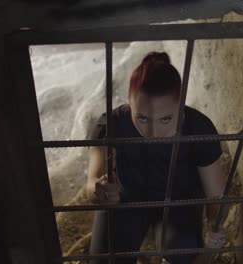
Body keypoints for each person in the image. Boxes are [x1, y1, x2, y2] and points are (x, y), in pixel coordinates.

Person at [86, 52, 228, 264]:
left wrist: (213, 226)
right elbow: (92, 185)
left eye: (165, 119)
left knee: (183, 254)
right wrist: (102, 191)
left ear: (180, 105)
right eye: (142, 117)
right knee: (105, 260)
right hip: (126, 201)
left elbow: (216, 196)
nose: (152, 131)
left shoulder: (199, 127)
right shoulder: (112, 124)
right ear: (129, 104)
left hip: (179, 202)